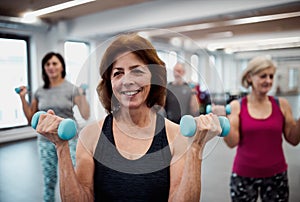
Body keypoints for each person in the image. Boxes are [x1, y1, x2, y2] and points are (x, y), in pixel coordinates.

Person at [33, 33, 223, 202]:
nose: (127, 80)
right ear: (110, 83)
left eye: (137, 70)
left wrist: (196, 149)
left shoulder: (175, 136)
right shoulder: (90, 136)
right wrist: (61, 147)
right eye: (118, 73)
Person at [214, 56, 300, 202]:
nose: (268, 80)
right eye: (263, 76)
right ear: (249, 77)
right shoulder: (237, 106)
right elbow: (232, 142)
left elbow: (293, 139)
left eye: (271, 76)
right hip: (243, 175)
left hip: (276, 175)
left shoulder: (282, 104)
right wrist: (222, 121)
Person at [16, 52, 90, 202]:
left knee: (73, 176)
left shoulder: (72, 89)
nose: (51, 67)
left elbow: (85, 114)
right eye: (48, 64)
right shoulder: (40, 91)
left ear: (62, 66)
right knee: (49, 181)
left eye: (55, 63)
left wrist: (83, 95)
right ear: (44, 68)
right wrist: (23, 98)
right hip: (45, 141)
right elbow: (31, 117)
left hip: (70, 141)